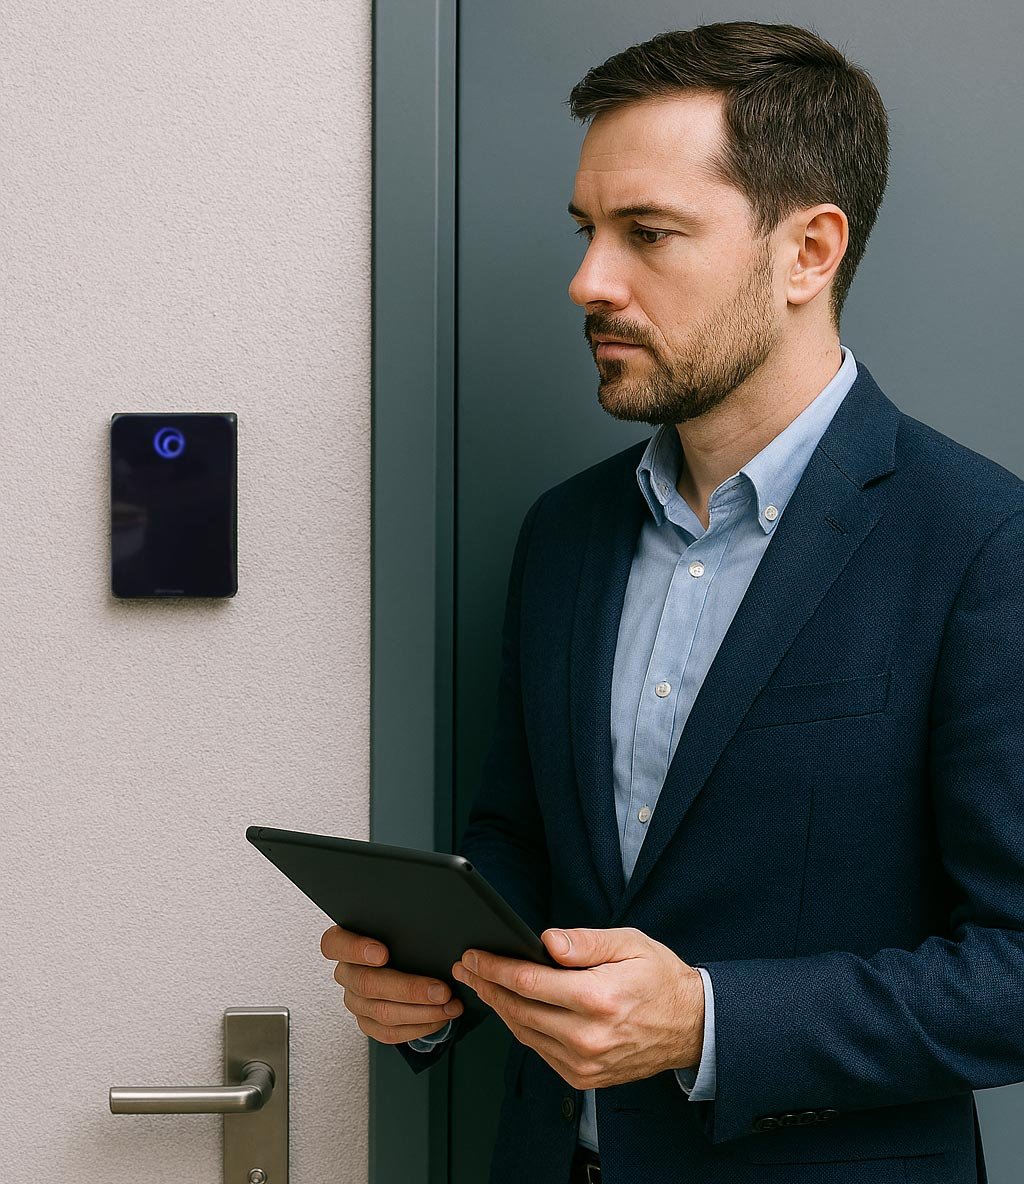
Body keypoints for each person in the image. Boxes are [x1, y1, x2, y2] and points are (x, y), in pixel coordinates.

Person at [320, 20, 1024, 1184]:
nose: (587, 281)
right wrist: (439, 981)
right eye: (588, 231)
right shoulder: (565, 532)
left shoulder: (979, 542)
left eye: (646, 233)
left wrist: (707, 1020)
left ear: (808, 252)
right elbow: (522, 838)